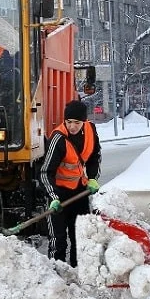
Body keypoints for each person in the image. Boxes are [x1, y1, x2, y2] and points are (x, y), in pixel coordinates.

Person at [41, 99, 101, 267]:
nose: (72, 126)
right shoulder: (58, 138)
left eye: (77, 122)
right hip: (58, 194)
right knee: (58, 239)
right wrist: (53, 197)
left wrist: (92, 178)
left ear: (84, 121)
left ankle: (78, 271)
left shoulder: (91, 131)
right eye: (69, 122)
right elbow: (46, 172)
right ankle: (56, 273)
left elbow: (95, 157)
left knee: (80, 236)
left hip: (79, 192)